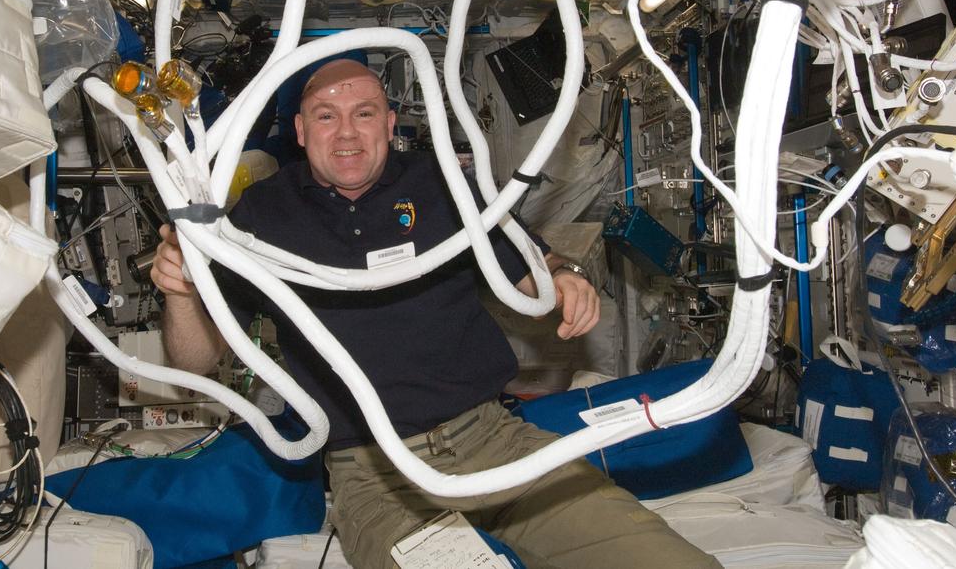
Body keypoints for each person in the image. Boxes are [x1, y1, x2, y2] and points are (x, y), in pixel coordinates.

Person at [151, 59, 720, 569]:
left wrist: (566, 275)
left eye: (363, 113)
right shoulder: (259, 216)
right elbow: (196, 360)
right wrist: (181, 293)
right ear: (300, 131)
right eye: (326, 116)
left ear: (388, 124)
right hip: (376, 476)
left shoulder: (442, 183)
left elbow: (531, 267)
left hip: (493, 440)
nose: (346, 132)